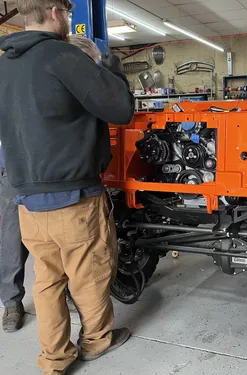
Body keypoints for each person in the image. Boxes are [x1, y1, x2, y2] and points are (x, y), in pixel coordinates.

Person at [0, 0, 135, 373]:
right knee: (90, 274)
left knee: (46, 282)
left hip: (26, 200)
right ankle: (95, 343)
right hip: (73, 199)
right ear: (58, 12)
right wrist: (108, 65)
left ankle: (54, 359)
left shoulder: (3, 65)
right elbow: (121, 110)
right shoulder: (63, 57)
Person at [0, 141, 29, 333]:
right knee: (12, 237)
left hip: (48, 164)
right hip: (12, 167)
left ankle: (64, 291)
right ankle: (12, 302)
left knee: (55, 233)